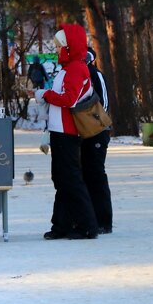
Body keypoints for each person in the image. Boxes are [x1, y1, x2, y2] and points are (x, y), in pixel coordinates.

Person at [34, 23, 99, 240]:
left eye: (60, 45)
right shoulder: (69, 68)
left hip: (67, 132)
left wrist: (45, 94)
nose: (57, 49)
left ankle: (87, 225)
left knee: (70, 179)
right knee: (62, 179)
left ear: (69, 47)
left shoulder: (75, 69)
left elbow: (68, 99)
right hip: (60, 131)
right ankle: (62, 224)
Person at [80, 47, 113, 234]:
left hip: (96, 131)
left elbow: (104, 103)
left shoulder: (94, 73)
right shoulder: (78, 73)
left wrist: (94, 123)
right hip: (85, 132)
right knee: (87, 174)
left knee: (95, 174)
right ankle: (92, 218)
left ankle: (103, 220)